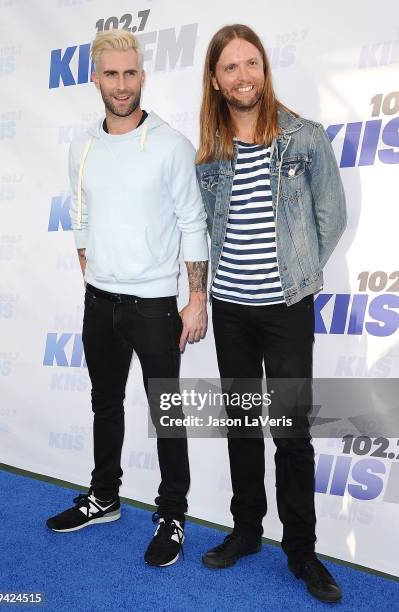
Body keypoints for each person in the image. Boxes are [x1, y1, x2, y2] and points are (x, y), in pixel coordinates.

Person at [46, 30, 209, 568]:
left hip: (156, 306)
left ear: (143, 76)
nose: (121, 85)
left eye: (130, 74)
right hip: (100, 304)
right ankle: (105, 497)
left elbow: (192, 222)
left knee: (167, 413)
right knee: (104, 404)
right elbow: (81, 213)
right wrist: (89, 268)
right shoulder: (83, 145)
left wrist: (195, 297)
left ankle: (173, 514)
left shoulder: (170, 145)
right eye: (111, 74)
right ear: (95, 78)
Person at [195, 24, 346, 602]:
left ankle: (301, 552)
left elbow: (331, 217)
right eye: (229, 67)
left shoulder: (303, 137)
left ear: (265, 67)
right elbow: (206, 230)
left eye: (250, 63)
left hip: (286, 309)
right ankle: (247, 531)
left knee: (291, 433)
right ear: (215, 79)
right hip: (230, 308)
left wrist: (299, 273)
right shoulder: (211, 151)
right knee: (240, 426)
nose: (242, 76)